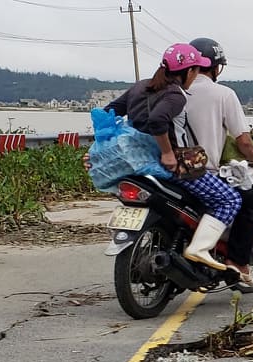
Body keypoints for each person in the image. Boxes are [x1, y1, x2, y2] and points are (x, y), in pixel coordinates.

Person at [104, 43, 242, 271]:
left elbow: (108, 113)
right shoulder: (176, 94)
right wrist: (168, 153)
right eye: (196, 70)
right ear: (188, 71)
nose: (196, 75)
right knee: (229, 199)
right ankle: (200, 247)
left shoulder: (140, 87)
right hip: (175, 167)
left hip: (140, 163)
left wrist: (102, 149)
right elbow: (158, 120)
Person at [184, 37, 253, 287]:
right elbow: (243, 141)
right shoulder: (223, 94)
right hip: (201, 170)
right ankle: (237, 261)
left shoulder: (172, 92)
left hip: (167, 167)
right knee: (251, 200)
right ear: (215, 66)